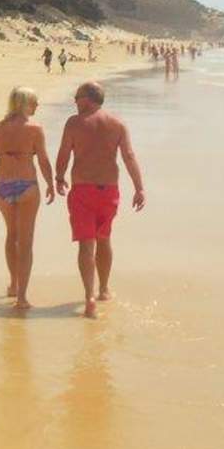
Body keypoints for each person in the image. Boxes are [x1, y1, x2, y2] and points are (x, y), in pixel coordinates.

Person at [55, 81, 146, 318]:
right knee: (104, 239)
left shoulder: (74, 123)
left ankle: (89, 297)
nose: (75, 101)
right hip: (109, 191)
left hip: (83, 190)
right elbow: (129, 156)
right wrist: (139, 188)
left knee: (86, 244)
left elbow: (64, 153)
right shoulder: (117, 124)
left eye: (77, 97)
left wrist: (59, 177)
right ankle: (104, 289)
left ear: (88, 99)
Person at [0, 86, 55, 310]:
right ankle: (22, 297)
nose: (37, 105)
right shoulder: (35, 128)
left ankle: (13, 284)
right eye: (34, 102)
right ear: (24, 103)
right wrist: (50, 183)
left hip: (3, 187)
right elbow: (43, 160)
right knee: (25, 241)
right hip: (27, 186)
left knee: (12, 234)